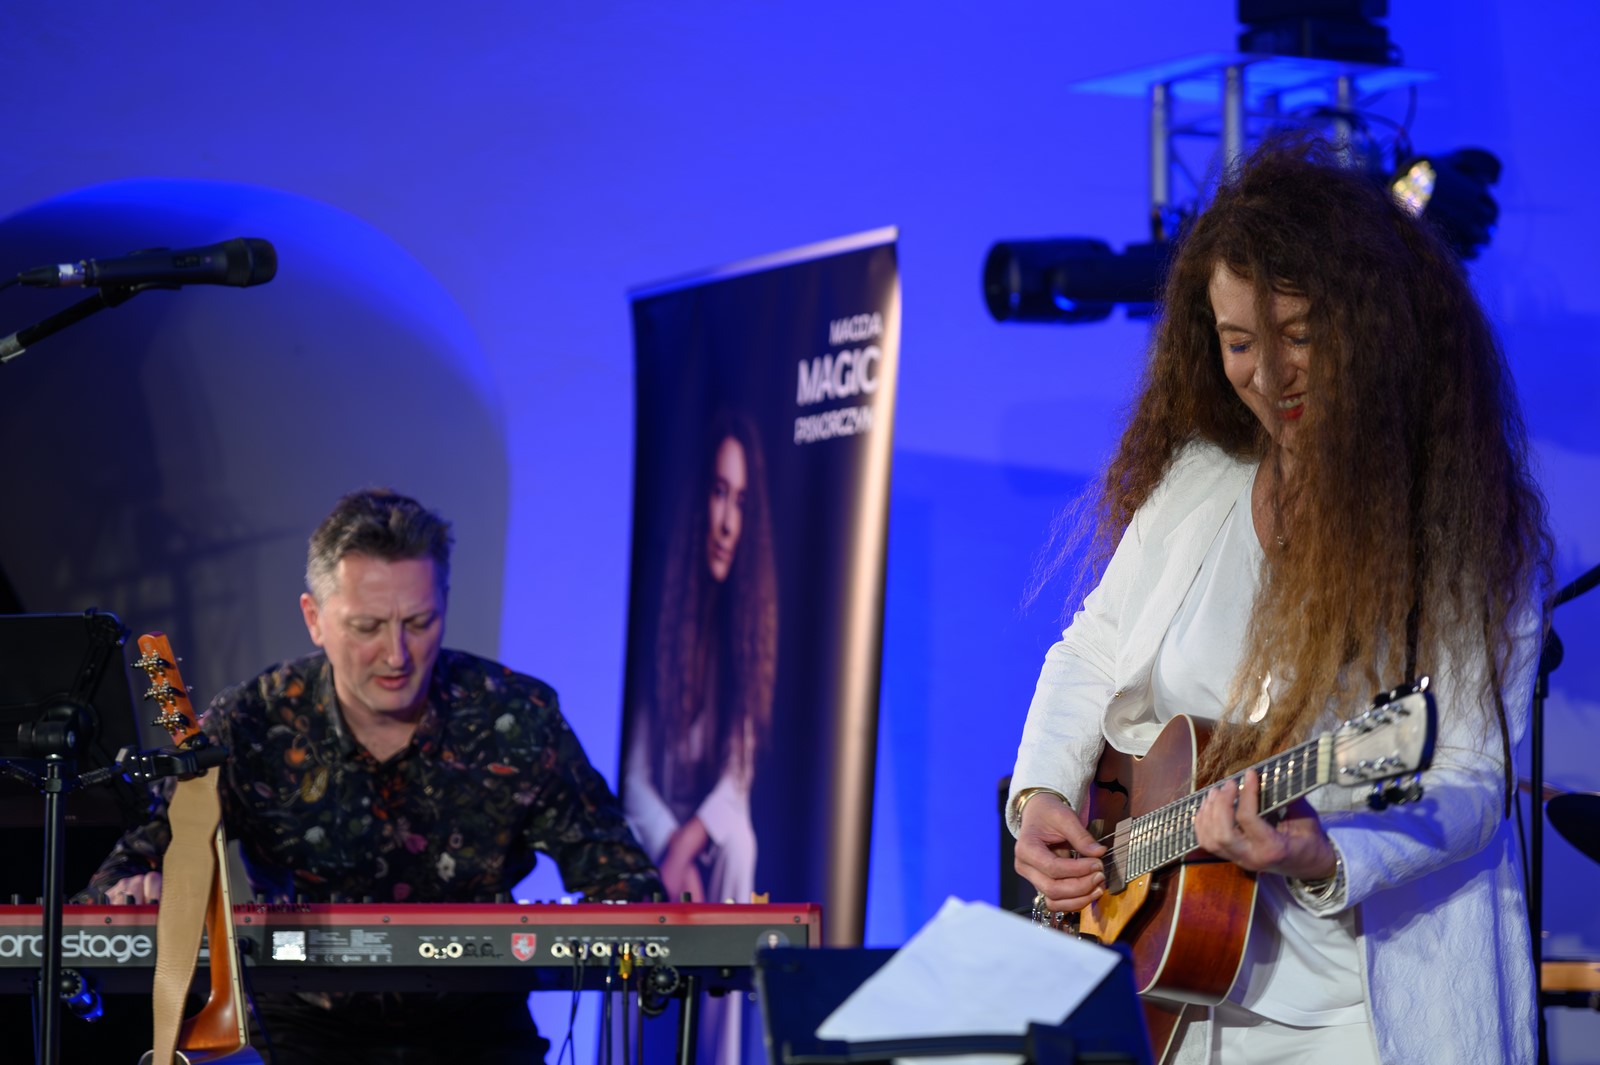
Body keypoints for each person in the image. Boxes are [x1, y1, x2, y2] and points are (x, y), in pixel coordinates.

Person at [1008, 137, 1550, 1065]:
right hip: (1182, 1003)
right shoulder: (1199, 481)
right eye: (1238, 342)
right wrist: (1042, 794)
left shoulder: (1459, 535)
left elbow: (1469, 779)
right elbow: (1091, 649)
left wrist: (1319, 852)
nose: (1267, 374)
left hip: (1363, 1020)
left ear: (1373, 331)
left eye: (1297, 335)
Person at [81, 488, 664, 1064]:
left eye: (419, 622)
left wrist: (626, 925)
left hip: (479, 1029)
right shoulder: (254, 720)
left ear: (445, 603)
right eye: (367, 626)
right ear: (314, 619)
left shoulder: (515, 716)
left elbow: (625, 881)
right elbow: (124, 869)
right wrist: (136, 888)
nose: (397, 655)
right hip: (299, 1027)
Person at [621, 412, 777, 1065]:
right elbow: (633, 779)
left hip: (704, 838)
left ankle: (722, 1053)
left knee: (739, 840)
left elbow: (735, 782)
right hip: (659, 829)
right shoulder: (661, 622)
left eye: (740, 501)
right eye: (717, 493)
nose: (726, 522)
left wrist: (688, 846)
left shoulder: (748, 634)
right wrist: (669, 851)